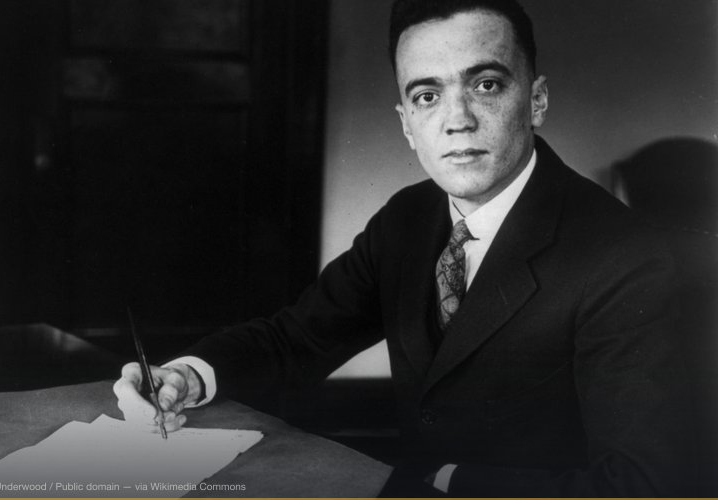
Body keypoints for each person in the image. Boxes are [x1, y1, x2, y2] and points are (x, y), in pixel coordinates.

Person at [114, 0, 690, 495]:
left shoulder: (625, 258)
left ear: (536, 100)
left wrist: (448, 480)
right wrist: (188, 376)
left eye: (486, 85)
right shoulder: (408, 219)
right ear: (408, 124)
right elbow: (297, 339)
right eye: (427, 95)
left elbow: (645, 486)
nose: (457, 120)